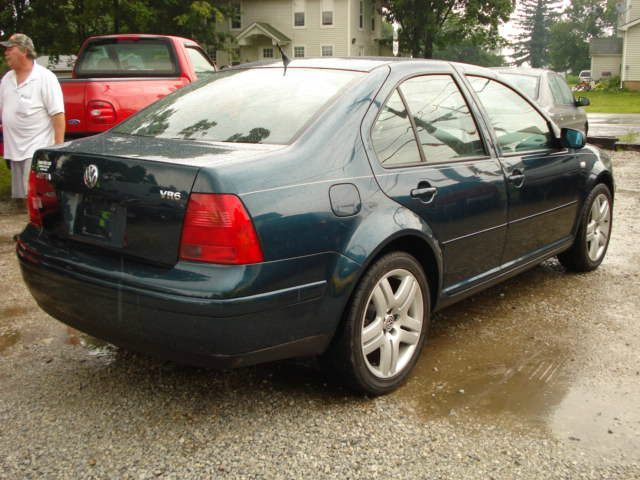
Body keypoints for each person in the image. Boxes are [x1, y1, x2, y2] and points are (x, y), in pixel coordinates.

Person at [0, 33, 65, 205]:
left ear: (24, 51)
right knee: (23, 200)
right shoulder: (7, 79)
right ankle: (28, 227)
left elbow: (58, 115)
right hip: (14, 151)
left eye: (10, 48)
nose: (5, 53)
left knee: (37, 198)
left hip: (36, 150)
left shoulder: (45, 78)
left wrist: (57, 150)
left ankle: (41, 228)